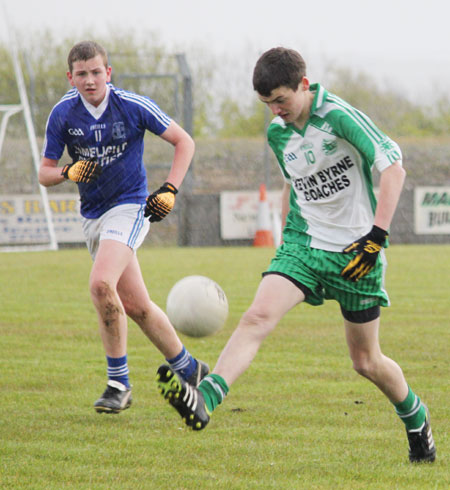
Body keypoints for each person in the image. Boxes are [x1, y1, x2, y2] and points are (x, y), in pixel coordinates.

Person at [156, 47, 436, 463]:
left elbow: (393, 168)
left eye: (281, 100)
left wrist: (376, 238)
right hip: (303, 246)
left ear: (303, 85)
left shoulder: (339, 116)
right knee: (256, 317)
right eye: (267, 104)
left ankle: (417, 420)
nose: (276, 111)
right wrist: (285, 244)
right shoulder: (277, 131)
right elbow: (293, 183)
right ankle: (206, 398)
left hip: (356, 254)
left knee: (365, 361)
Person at [39, 40, 208, 414]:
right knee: (135, 305)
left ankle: (119, 383)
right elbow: (44, 172)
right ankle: (191, 368)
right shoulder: (63, 114)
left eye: (96, 72)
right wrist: (67, 172)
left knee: (101, 284)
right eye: (81, 74)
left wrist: (170, 189)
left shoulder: (131, 105)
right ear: (71, 77)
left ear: (108, 73)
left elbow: (184, 141)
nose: (90, 80)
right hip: (93, 216)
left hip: (130, 206)